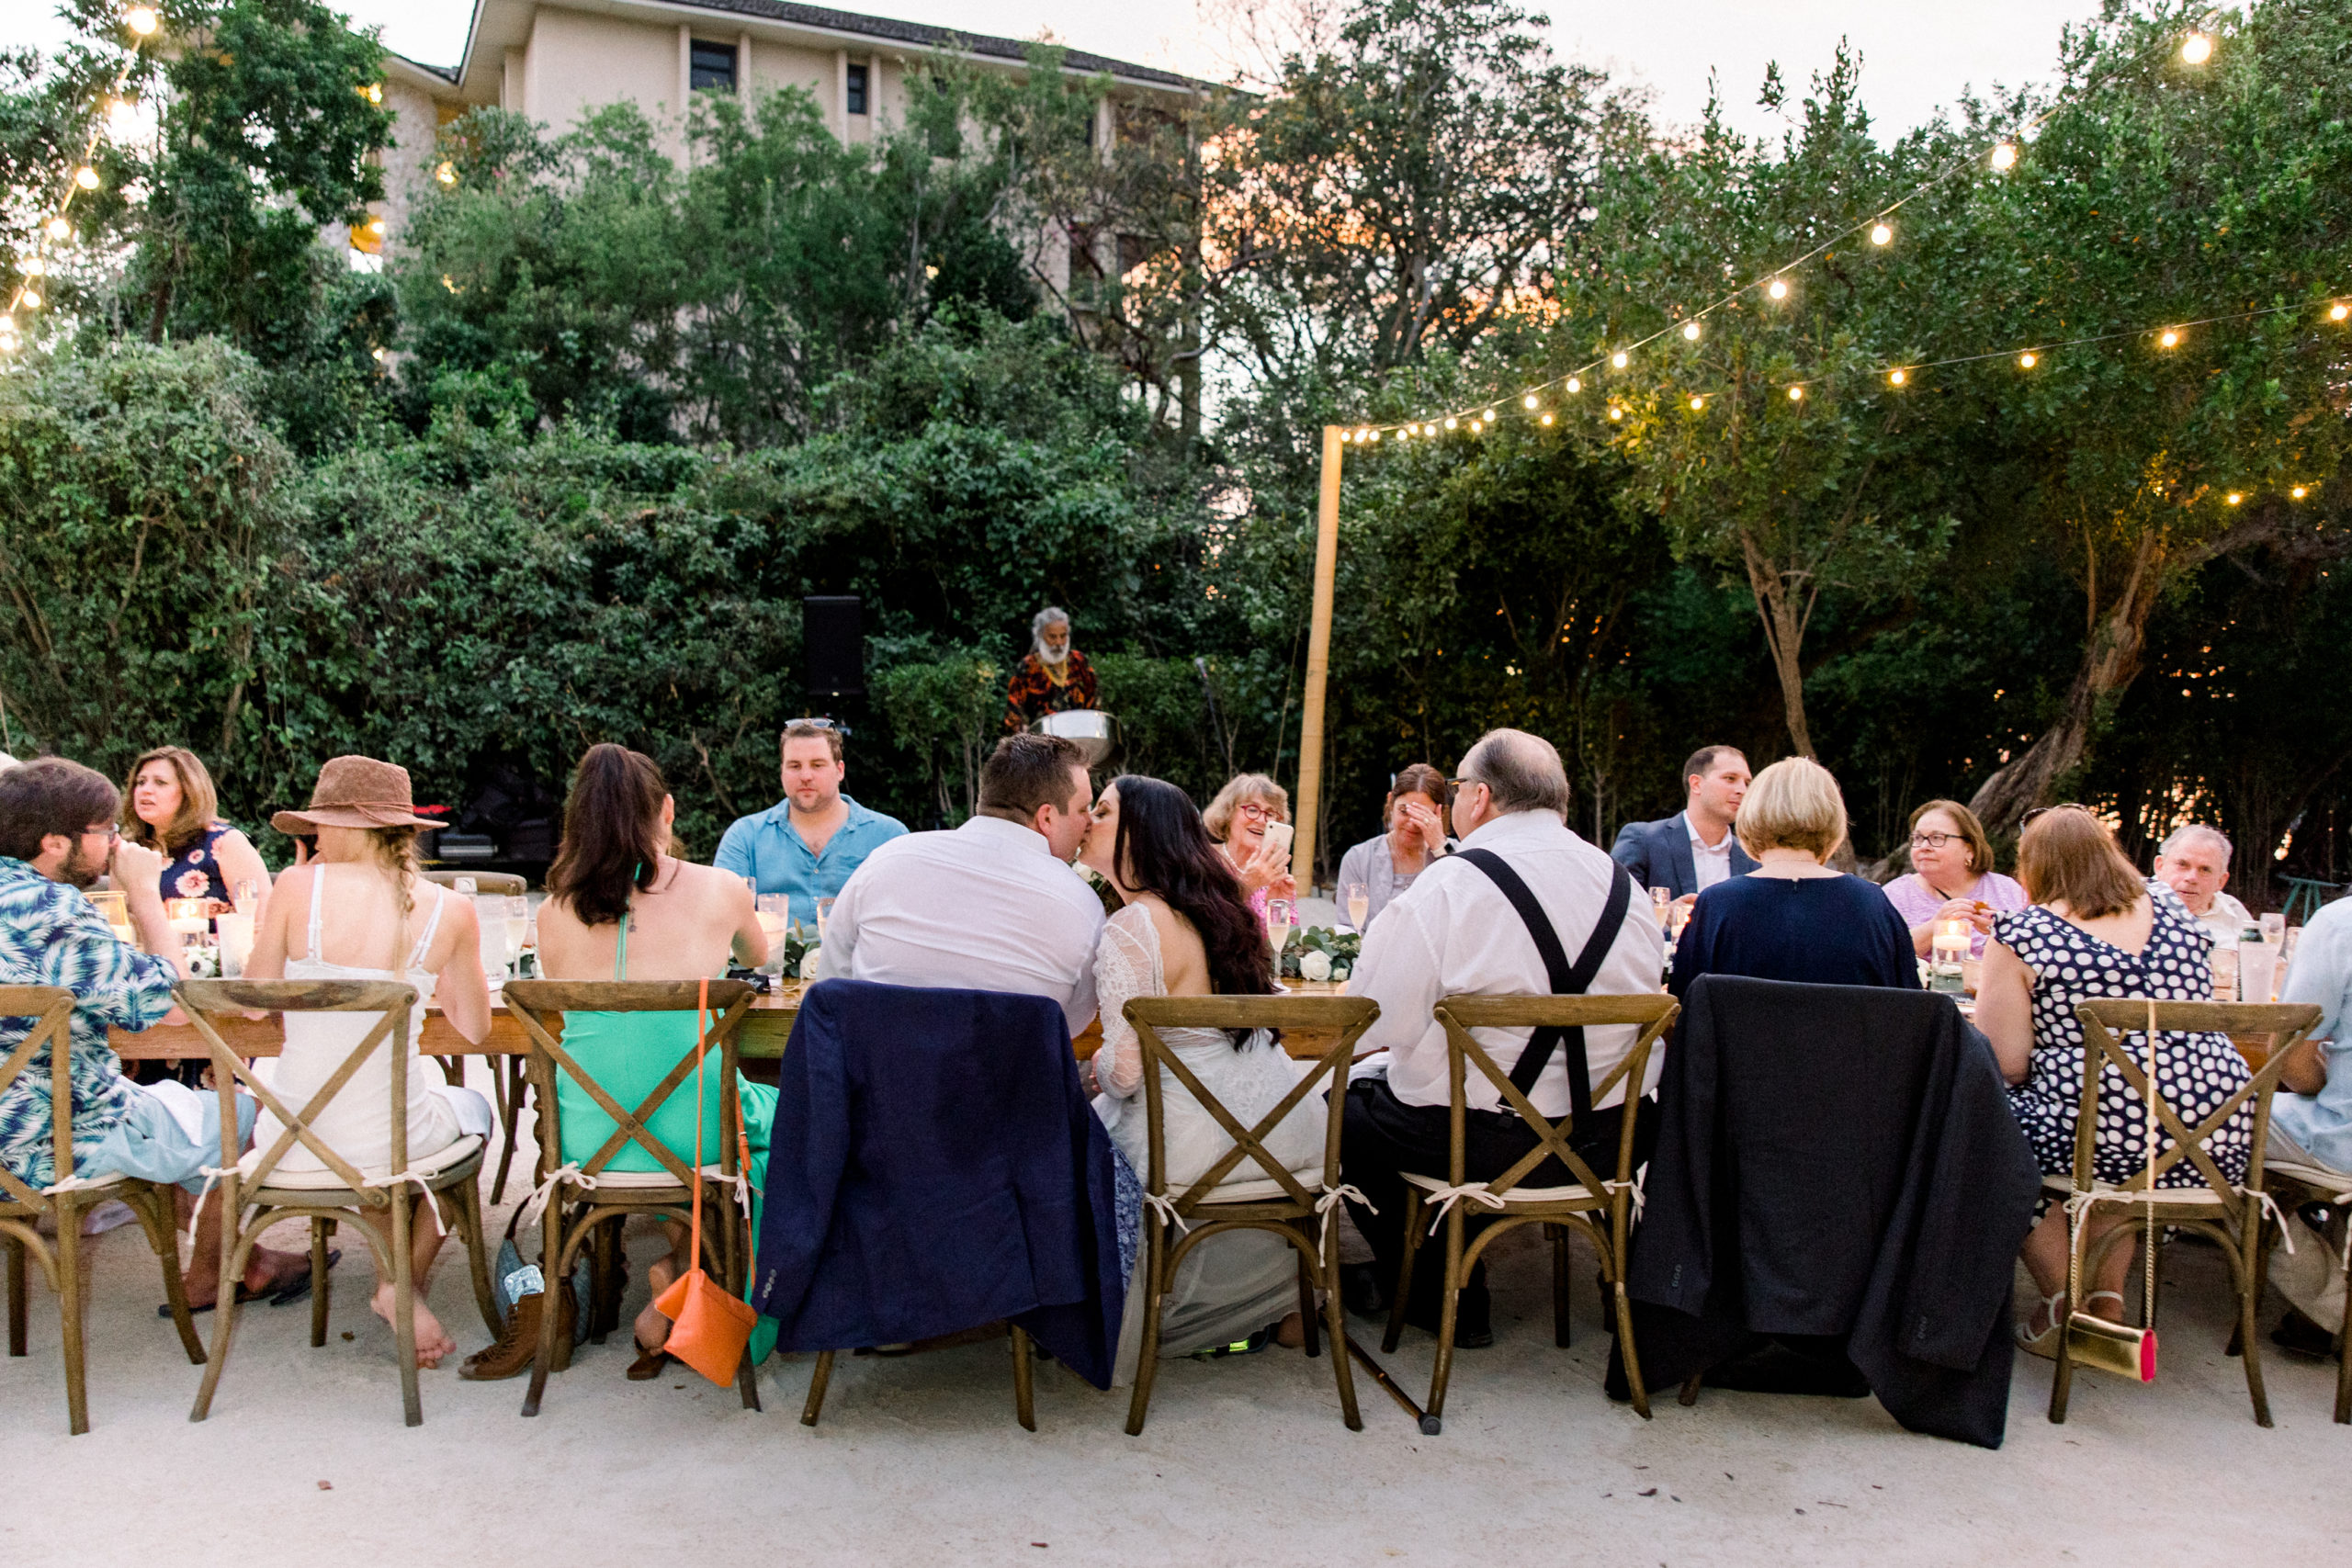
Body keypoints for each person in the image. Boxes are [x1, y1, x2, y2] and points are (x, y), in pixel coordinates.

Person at [1341, 729, 1666, 1346]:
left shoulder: (1448, 883)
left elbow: (1374, 1019)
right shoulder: (1625, 887)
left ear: (1480, 797)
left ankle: (1447, 1296)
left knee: (1347, 1112)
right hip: (1608, 1142)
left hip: (1474, 1146)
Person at [525, 743, 775, 1382]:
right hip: (696, 1136)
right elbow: (762, 954)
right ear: (665, 811)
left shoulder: (551, 912)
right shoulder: (720, 888)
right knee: (784, 1116)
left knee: (645, 1088)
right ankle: (694, 1275)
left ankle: (680, 1269)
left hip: (589, 1141)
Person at [241, 754, 495, 1367]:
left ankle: (393, 1278)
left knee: (376, 1130)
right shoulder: (448, 909)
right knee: (475, 1113)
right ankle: (398, 1285)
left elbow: (252, 1006)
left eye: (319, 823)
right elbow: (476, 1027)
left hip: (290, 1137)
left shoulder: (295, 887)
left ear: (351, 826)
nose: (312, 836)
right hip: (392, 1138)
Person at [1973, 807, 2255, 1358]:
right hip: (2216, 1142)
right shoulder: (2175, 909)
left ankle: (2068, 1304)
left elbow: (2004, 1063)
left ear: (2034, 869)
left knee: (1989, 1130)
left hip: (2109, 1134)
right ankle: (2108, 1303)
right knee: (2121, 1133)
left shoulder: (2024, 932)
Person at [1080, 774, 1317, 1370]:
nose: (1087, 818)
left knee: (1072, 1130)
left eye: (1102, 810)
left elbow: (1126, 1074)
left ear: (1138, 834)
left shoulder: (1133, 925)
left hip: (1190, 1141)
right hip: (1281, 1131)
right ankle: (1282, 1302)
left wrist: (1093, 1070)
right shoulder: (1225, 911)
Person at [817, 733, 1105, 1037]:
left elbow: (830, 989)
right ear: (1046, 817)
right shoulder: (1082, 906)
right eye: (1083, 809)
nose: (1089, 822)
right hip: (1006, 1084)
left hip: (878, 1081)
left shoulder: (887, 859)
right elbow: (1066, 1030)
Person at [1668, 757, 1918, 1002]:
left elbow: (1684, 1010)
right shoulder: (1872, 904)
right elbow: (1909, 1010)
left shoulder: (1717, 904)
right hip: (1846, 1043)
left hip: (1746, 1044)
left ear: (1752, 813)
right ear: (1834, 819)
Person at [712, 720, 906, 919]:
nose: (805, 776)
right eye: (795, 766)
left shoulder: (889, 837)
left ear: (840, 770)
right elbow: (723, 918)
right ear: (782, 772)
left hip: (858, 951)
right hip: (774, 951)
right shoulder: (745, 837)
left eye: (817, 765)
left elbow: (907, 917)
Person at [118, 745, 271, 914]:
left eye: (160, 782)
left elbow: (263, 919)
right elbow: (115, 918)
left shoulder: (225, 842)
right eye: (141, 782)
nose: (145, 790)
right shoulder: (128, 849)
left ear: (189, 791)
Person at [1879, 798, 2029, 958]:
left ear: (1969, 849)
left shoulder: (2006, 890)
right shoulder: (1894, 895)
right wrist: (1934, 926)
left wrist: (2002, 929)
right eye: (1918, 838)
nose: (1924, 847)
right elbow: (1880, 955)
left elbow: (2036, 949)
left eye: (1937, 838)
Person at [1610, 745, 1758, 905]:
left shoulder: (1753, 857)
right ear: (1696, 784)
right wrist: (1663, 914)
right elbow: (1613, 908)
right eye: (1730, 778)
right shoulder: (1643, 840)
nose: (1742, 790)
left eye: (1747, 783)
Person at [1334, 764, 1452, 932]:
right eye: (1404, 812)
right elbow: (1347, 930)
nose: (1412, 823)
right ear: (1391, 802)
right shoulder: (1359, 858)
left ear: (1438, 814)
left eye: (1422, 815)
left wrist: (1439, 848)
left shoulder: (1456, 855)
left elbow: (1461, 911)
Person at [1203, 773, 1296, 921]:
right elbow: (1204, 925)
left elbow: (1284, 939)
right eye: (1252, 809)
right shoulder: (1203, 861)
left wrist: (1279, 905)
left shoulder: (1271, 871)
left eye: (1270, 813)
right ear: (1228, 812)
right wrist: (1247, 885)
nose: (1262, 820)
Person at [2152, 824, 2254, 946]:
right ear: (2160, 866)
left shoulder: (2234, 911)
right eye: (2182, 864)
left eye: (2205, 869)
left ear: (2221, 881)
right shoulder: (2133, 903)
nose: (2191, 878)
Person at [1002, 606, 1099, 732]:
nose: (1059, 643)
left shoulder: (1079, 661)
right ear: (1040, 636)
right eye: (1052, 637)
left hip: (1079, 739)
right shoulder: (1027, 667)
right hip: (1042, 744)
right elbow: (1013, 715)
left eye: (1063, 636)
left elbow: (1093, 706)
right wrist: (1026, 733)